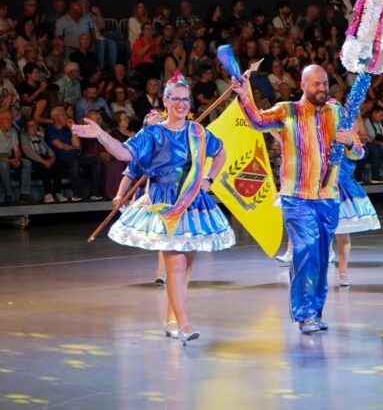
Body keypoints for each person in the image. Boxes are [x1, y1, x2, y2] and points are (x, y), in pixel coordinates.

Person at [73, 74, 235, 344]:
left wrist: (208, 178)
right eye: (176, 99)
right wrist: (101, 135)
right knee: (175, 263)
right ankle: (183, 323)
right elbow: (125, 154)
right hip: (164, 202)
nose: (181, 104)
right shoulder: (153, 133)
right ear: (166, 101)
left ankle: (171, 319)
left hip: (193, 203)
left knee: (186, 266)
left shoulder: (198, 132)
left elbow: (220, 152)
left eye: (186, 99)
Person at [232, 65, 362, 335]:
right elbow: (257, 121)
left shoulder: (338, 113)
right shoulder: (286, 110)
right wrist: (245, 96)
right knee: (305, 250)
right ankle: (304, 314)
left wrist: (350, 142)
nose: (322, 88)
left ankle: (315, 311)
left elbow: (359, 153)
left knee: (322, 255)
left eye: (325, 83)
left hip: (328, 197)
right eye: (316, 84)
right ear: (302, 85)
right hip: (297, 198)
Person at [331, 126, 378, 288]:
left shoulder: (347, 132)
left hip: (341, 187)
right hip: (319, 187)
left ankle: (343, 273)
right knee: (316, 234)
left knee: (342, 234)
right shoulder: (317, 130)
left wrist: (349, 141)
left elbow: (359, 153)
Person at [20, 118, 58, 202]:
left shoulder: (40, 137)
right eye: (30, 126)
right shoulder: (24, 137)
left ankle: (57, 192)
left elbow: (48, 149)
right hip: (33, 159)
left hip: (44, 157)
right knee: (44, 167)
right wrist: (44, 161)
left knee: (57, 165)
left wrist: (52, 158)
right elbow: (28, 152)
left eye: (35, 125)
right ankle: (48, 194)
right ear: (26, 127)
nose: (33, 127)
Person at [0, 110, 31, 204]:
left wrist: (17, 158)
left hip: (9, 156)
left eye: (11, 119)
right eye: (7, 119)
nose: (9, 121)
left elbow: (16, 150)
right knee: (4, 164)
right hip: (1, 158)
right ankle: (8, 194)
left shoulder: (13, 131)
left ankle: (24, 194)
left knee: (26, 163)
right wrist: (9, 161)